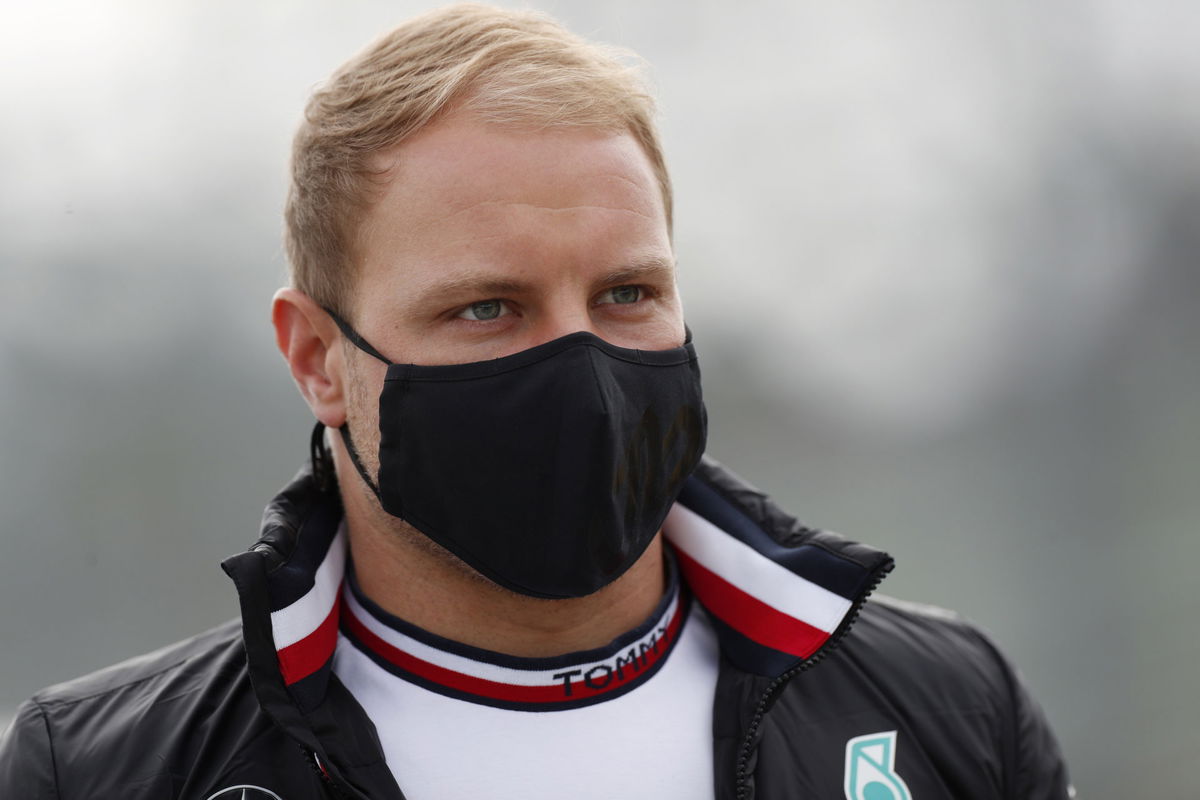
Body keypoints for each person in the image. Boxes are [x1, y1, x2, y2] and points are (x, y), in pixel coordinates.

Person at [0, 5, 1073, 799]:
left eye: (628, 293)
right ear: (319, 357)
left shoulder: (950, 713)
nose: (585, 369)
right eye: (488, 307)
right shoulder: (100, 770)